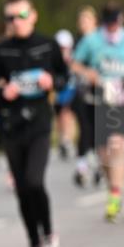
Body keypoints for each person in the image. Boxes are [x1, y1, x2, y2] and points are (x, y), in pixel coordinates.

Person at [0, 0, 68, 247]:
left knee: (34, 181)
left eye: (20, 16)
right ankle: (34, 245)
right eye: (10, 18)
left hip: (39, 123)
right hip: (11, 125)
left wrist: (51, 81)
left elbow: (65, 77)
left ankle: (50, 238)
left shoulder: (47, 45)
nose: (15, 22)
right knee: (21, 189)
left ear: (33, 15)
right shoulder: (1, 50)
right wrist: (2, 92)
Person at [71, 1, 124, 223]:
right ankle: (112, 184)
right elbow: (75, 64)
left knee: (117, 143)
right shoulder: (92, 40)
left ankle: (115, 196)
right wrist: (89, 73)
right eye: (109, 23)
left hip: (123, 98)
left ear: (121, 20)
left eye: (116, 23)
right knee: (104, 153)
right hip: (99, 99)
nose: (113, 27)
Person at [72, 6, 100, 188]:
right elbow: (73, 65)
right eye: (81, 21)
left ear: (95, 22)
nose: (84, 24)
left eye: (87, 20)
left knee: (99, 130)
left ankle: (99, 165)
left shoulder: (102, 40)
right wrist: (86, 72)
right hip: (82, 91)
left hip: (103, 92)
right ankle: (82, 166)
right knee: (84, 128)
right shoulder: (79, 42)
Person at [53, 30, 78, 160]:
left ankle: (67, 140)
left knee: (67, 114)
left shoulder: (73, 57)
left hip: (71, 89)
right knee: (59, 115)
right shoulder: (53, 57)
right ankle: (62, 139)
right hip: (58, 90)